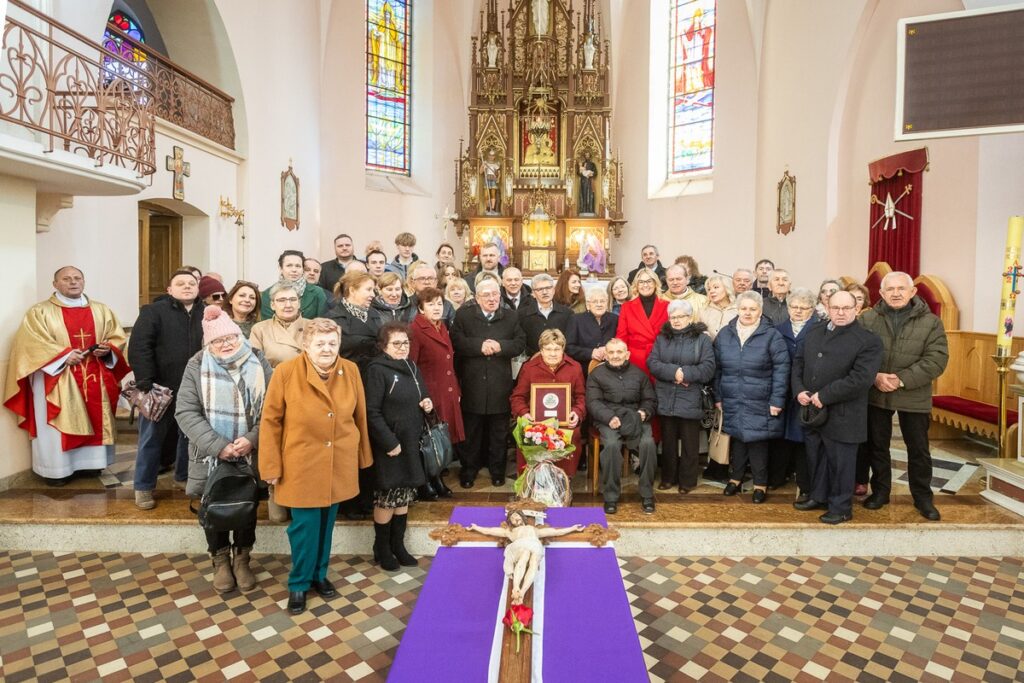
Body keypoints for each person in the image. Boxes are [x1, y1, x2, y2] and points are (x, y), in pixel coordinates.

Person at [260, 318, 373, 615]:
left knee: (327, 524)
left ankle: (319, 575)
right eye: (319, 343)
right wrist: (270, 466)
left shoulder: (350, 370)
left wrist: (362, 456)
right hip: (300, 463)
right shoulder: (285, 372)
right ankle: (298, 583)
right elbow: (270, 422)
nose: (327, 348)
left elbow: (360, 415)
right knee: (304, 528)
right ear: (305, 345)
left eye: (332, 343)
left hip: (339, 460)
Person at [175, 307, 273, 593]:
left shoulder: (257, 359)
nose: (227, 343)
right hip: (209, 454)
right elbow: (186, 411)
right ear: (209, 344)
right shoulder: (196, 365)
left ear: (239, 334)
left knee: (246, 502)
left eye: (231, 337)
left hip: (250, 452)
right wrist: (219, 446)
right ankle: (219, 559)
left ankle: (242, 558)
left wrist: (253, 438)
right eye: (218, 341)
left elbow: (273, 407)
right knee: (213, 503)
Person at [3, 266, 129, 485]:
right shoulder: (39, 312)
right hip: (56, 379)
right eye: (66, 279)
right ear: (55, 284)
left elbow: (116, 337)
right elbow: (29, 345)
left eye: (77, 278)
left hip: (94, 375)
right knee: (57, 422)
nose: (73, 282)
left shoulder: (101, 310)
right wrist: (61, 357)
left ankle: (92, 465)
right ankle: (57, 470)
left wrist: (108, 349)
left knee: (94, 415)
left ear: (84, 281)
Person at [860, 272, 948, 521]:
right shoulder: (867, 319)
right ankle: (880, 492)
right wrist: (875, 376)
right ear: (882, 293)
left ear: (913, 292)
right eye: (890, 289)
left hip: (914, 394)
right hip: (876, 392)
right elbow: (856, 355)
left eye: (901, 289)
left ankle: (922, 498)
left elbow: (936, 359)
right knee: (877, 446)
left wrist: (901, 379)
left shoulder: (931, 322)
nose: (896, 293)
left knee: (918, 449)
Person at [791, 291, 883, 524]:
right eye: (835, 308)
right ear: (827, 308)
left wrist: (826, 395)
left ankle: (841, 507)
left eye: (846, 308)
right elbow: (799, 362)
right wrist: (799, 389)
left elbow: (860, 379)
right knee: (817, 457)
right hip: (813, 409)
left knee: (841, 463)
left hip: (844, 413)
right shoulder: (813, 331)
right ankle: (819, 497)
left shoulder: (868, 340)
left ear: (856, 309)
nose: (840, 312)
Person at [129, 270, 205, 509]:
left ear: (198, 288)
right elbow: (140, 347)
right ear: (169, 290)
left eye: (191, 283)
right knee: (151, 439)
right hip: (160, 388)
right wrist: (146, 382)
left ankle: (183, 477)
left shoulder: (207, 313)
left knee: (189, 437)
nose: (187, 287)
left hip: (195, 389)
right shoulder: (153, 312)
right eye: (180, 283)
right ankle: (143, 487)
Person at [364, 323, 432, 571]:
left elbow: (422, 394)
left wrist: (427, 403)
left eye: (406, 343)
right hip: (390, 446)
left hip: (410, 441)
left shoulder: (411, 367)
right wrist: (389, 442)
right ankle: (382, 548)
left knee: (404, 495)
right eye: (397, 343)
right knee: (387, 497)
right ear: (384, 346)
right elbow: (371, 412)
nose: (403, 347)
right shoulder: (377, 370)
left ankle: (398, 545)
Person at [714, 291, 790, 504]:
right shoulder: (725, 334)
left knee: (758, 442)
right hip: (732, 396)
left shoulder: (772, 335)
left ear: (760, 311)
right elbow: (717, 369)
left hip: (761, 398)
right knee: (737, 439)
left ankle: (760, 484)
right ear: (737, 310)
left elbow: (782, 370)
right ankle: (735, 479)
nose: (747, 313)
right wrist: (718, 396)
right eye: (744, 308)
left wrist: (777, 400)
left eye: (752, 309)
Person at [450, 279, 526, 488]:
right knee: (471, 432)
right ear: (476, 298)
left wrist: (500, 346)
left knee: (499, 433)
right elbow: (456, 340)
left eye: (495, 295)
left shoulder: (511, 316)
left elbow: (520, 343)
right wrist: (479, 345)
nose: (492, 299)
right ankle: (469, 470)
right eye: (487, 295)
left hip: (499, 384)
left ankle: (497, 471)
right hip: (472, 383)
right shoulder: (464, 316)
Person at [647, 300, 715, 494]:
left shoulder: (702, 339)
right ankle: (668, 478)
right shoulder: (662, 337)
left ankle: (687, 480)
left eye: (680, 317)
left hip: (691, 396)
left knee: (689, 442)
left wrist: (685, 374)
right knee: (668, 441)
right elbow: (653, 362)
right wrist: (674, 372)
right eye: (673, 317)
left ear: (690, 317)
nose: (676, 321)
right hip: (666, 395)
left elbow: (708, 368)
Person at [586, 338, 657, 515]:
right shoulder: (596, 374)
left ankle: (647, 494)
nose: (615, 356)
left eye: (619, 352)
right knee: (610, 445)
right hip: (608, 417)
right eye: (611, 352)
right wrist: (609, 417)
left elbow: (650, 400)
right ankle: (611, 496)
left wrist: (644, 412)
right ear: (606, 355)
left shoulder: (639, 374)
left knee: (648, 443)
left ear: (627, 354)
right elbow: (593, 402)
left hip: (634, 416)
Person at [409, 287, 465, 499]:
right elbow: (412, 367)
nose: (436, 308)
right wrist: (421, 395)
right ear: (421, 308)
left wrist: (456, 389)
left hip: (446, 390)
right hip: (429, 393)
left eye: (439, 304)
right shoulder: (415, 330)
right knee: (428, 439)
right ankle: (426, 482)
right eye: (431, 304)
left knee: (441, 438)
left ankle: (437, 477)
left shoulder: (441, 327)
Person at [510, 329, 587, 475]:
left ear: (563, 349)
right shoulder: (529, 368)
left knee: (574, 434)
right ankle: (531, 482)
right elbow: (517, 397)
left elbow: (581, 396)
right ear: (541, 350)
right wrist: (525, 414)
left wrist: (576, 413)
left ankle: (563, 481)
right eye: (548, 349)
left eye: (557, 349)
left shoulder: (574, 368)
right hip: (535, 423)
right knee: (525, 435)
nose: (553, 353)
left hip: (564, 423)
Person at [468, 511, 584, 605]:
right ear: (510, 522)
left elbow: (555, 531)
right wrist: (476, 527)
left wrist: (572, 528)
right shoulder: (510, 531)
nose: (515, 519)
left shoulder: (535, 530)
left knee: (533, 561)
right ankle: (516, 587)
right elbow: (490, 531)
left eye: (516, 516)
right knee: (525, 554)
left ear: (522, 518)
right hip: (520, 545)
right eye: (512, 518)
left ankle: (522, 592)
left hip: (534, 545)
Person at [774, 288, 818, 499]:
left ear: (812, 310)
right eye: (794, 307)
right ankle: (777, 476)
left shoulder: (819, 330)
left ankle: (805, 484)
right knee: (780, 435)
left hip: (805, 390)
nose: (798, 311)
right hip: (782, 388)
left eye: (803, 308)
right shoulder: (779, 329)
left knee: (802, 438)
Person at [615, 268, 669, 381]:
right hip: (636, 360)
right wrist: (621, 358)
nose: (645, 285)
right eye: (641, 282)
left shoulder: (667, 306)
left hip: (661, 358)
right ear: (636, 285)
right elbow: (621, 336)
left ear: (655, 283)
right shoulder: (627, 307)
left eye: (649, 281)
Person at [327, 271, 383, 372]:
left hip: (374, 375)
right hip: (347, 375)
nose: (373, 295)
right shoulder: (333, 318)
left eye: (373, 290)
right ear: (352, 290)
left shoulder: (375, 314)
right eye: (368, 290)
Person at [250, 284, 308, 368]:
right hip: (273, 379)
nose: (288, 305)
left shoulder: (313, 326)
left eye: (293, 299)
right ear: (272, 305)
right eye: (282, 300)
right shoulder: (260, 329)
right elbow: (254, 365)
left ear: (299, 304)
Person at [261, 250, 328, 320]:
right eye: (289, 265)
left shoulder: (317, 292)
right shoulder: (268, 293)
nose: (294, 270)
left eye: (298, 266)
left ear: (302, 269)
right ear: (280, 268)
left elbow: (322, 323)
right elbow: (267, 325)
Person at [518, 273, 574, 355]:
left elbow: (570, 341)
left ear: (553, 290)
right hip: (532, 360)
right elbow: (521, 342)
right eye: (540, 289)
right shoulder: (522, 315)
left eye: (548, 288)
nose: (545, 292)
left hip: (560, 359)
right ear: (533, 293)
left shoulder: (567, 313)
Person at [566, 288, 619, 372]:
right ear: (588, 304)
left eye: (602, 301)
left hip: (612, 368)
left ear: (607, 303)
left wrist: (609, 349)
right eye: (595, 302)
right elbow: (569, 348)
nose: (599, 304)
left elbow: (621, 342)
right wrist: (590, 353)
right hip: (584, 369)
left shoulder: (615, 319)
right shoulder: (576, 320)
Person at [406, 262, 456, 327]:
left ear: (436, 282)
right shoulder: (406, 304)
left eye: (430, 278)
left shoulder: (446, 305)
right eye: (422, 278)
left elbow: (453, 331)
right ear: (413, 283)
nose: (427, 282)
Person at [700, 273, 737, 340]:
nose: (711, 291)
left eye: (716, 287)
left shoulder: (739, 310)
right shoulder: (702, 311)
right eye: (709, 289)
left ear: (727, 288)